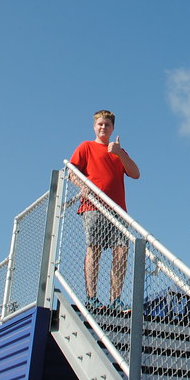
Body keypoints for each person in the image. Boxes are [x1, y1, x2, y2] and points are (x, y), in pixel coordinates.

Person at [69, 110, 141, 313]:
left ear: (112, 128)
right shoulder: (86, 146)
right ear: (94, 126)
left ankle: (115, 299)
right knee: (94, 248)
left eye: (107, 124)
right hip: (93, 206)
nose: (103, 127)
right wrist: (82, 185)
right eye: (100, 124)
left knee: (121, 250)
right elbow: (72, 172)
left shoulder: (117, 151)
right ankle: (91, 297)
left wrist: (119, 153)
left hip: (117, 210)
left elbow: (135, 174)